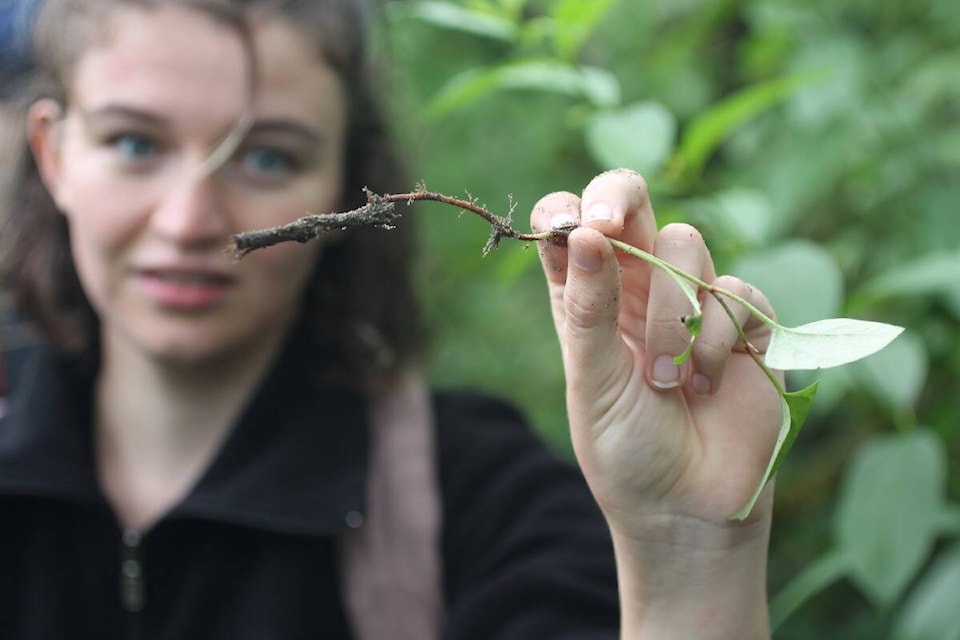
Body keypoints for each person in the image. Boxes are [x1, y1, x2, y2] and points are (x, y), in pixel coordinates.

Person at [0, 0, 782, 638]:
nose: (188, 221)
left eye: (267, 157)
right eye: (135, 142)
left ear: (349, 177)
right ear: (54, 153)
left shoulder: (476, 509)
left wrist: (686, 554)